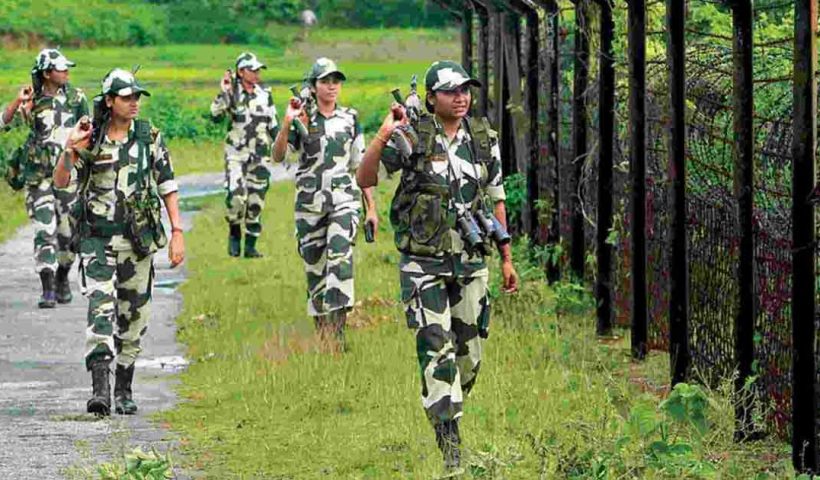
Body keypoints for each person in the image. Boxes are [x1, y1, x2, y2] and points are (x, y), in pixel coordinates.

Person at [356, 60, 518, 472]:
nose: (461, 96)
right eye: (450, 91)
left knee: (469, 359)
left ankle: (442, 401)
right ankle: (451, 450)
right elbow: (365, 177)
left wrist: (506, 258)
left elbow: (497, 197)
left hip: (470, 263)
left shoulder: (483, 139)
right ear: (431, 98)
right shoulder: (413, 135)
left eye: (465, 89)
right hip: (422, 265)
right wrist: (383, 135)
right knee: (437, 352)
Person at [54, 69, 185, 416]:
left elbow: (167, 185)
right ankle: (101, 392)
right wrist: (70, 149)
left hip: (138, 244)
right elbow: (62, 181)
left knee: (133, 320)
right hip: (97, 242)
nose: (134, 103)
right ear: (109, 101)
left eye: (137, 97)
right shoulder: (91, 138)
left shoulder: (149, 137)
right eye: (127, 97)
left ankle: (124, 387)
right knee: (100, 312)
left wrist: (177, 232)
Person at [272, 57, 377, 345]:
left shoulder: (350, 119)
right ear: (314, 85)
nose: (332, 86)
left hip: (344, 201)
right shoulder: (302, 119)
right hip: (309, 205)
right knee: (315, 269)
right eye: (325, 81)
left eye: (336, 81)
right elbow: (278, 155)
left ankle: (339, 333)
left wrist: (371, 209)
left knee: (340, 260)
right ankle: (324, 335)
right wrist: (286, 123)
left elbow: (360, 166)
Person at [2, 49, 88, 308]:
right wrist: (19, 103)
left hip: (68, 176)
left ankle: (63, 276)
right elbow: (3, 123)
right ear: (47, 73)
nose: (66, 73)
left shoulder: (76, 98)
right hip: (38, 177)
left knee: (68, 235)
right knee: (44, 230)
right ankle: (47, 287)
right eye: (61, 69)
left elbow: (89, 131)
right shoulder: (32, 100)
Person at [210, 52, 279, 258]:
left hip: (260, 155)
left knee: (256, 202)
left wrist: (283, 145)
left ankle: (250, 246)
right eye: (253, 70)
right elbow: (214, 116)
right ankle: (234, 231)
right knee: (236, 195)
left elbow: (273, 124)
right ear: (241, 72)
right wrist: (224, 92)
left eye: (259, 70)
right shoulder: (231, 93)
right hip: (236, 154)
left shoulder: (265, 94)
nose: (257, 74)